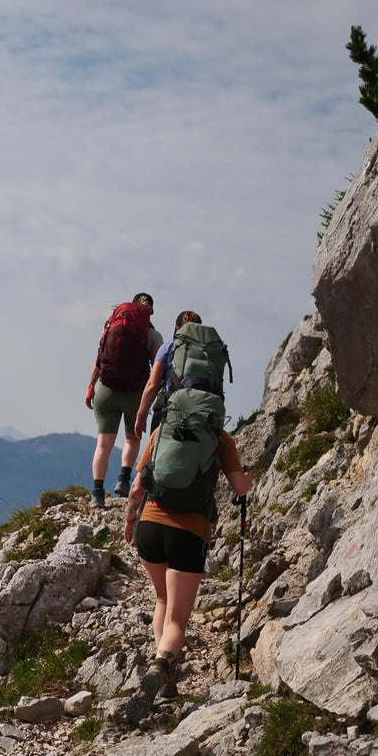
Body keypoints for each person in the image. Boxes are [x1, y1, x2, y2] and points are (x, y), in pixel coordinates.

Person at [116, 400, 252, 724]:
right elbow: (240, 487)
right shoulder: (220, 438)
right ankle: (161, 665)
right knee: (178, 618)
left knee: (161, 598)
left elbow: (137, 487)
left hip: (149, 525)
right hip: (189, 531)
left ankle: (166, 682)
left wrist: (130, 521)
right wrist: (248, 477)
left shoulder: (161, 431)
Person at [85, 292, 162, 508]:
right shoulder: (152, 334)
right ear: (150, 312)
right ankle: (124, 479)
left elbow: (99, 359)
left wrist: (91, 387)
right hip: (134, 393)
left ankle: (97, 493)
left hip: (106, 390)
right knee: (131, 439)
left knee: (103, 444)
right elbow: (158, 366)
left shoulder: (111, 326)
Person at [133, 309, 201, 440]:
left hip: (168, 411)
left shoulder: (168, 347)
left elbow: (152, 385)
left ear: (177, 328)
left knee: (154, 454)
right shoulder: (210, 351)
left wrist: (141, 416)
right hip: (201, 412)